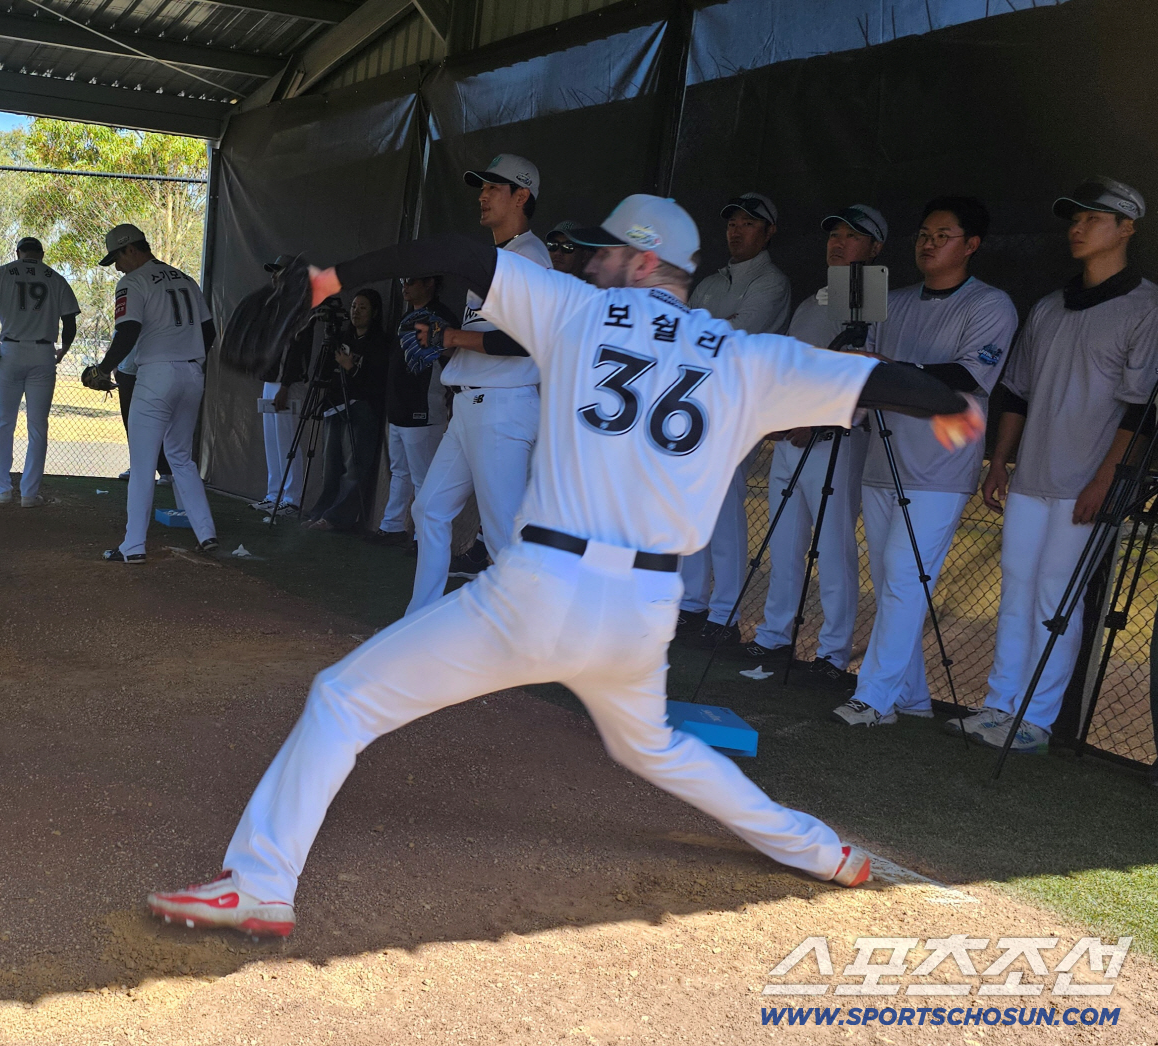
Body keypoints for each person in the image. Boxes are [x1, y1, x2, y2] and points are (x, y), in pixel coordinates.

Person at [146, 194, 983, 936]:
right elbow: (881, 378)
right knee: (652, 746)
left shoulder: (580, 311)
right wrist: (950, 404)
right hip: (644, 608)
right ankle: (824, 852)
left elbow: (458, 255)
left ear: (646, 262)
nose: (589, 262)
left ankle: (260, 883)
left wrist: (332, 280)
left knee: (344, 696)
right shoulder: (747, 354)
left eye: (606, 252)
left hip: (542, 589)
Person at [952, 177, 1158, 754]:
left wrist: (1107, 479)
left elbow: (1142, 412)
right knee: (1016, 592)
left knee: (1053, 600)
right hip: (1030, 478)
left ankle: (1034, 721)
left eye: (1093, 218)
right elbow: (1014, 393)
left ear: (1127, 228)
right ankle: (998, 706)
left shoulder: (1147, 307)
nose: (1078, 227)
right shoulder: (1046, 306)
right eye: (1074, 218)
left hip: (1084, 485)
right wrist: (999, 462)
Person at [832, 197, 1018, 726]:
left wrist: (890, 368)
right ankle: (908, 697)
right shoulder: (892, 301)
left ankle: (874, 697)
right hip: (881, 458)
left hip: (939, 468)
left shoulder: (991, 305)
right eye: (923, 234)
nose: (929, 243)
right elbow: (859, 363)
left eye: (943, 234)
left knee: (904, 581)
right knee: (892, 577)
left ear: (971, 245)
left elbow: (967, 376)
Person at [404, 153, 551, 613]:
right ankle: (422, 617)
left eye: (493, 187)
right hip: (473, 405)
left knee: (504, 532)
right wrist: (446, 341)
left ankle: (530, 637)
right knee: (429, 509)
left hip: (503, 407)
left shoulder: (529, 257)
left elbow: (525, 343)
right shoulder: (497, 258)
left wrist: (448, 335)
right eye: (481, 187)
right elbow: (484, 337)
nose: (483, 196)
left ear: (521, 195)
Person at [748, 206, 887, 685]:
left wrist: (818, 419)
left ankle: (832, 653)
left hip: (835, 440)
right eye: (835, 234)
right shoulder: (814, 300)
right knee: (784, 543)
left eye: (853, 236)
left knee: (833, 548)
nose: (839, 242)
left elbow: (863, 375)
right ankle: (773, 636)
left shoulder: (871, 300)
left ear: (875, 249)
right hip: (790, 437)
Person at [679, 192, 791, 650]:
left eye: (749, 223)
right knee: (691, 506)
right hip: (696, 406)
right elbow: (688, 335)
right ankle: (691, 605)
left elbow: (732, 339)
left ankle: (725, 615)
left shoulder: (772, 281)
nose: (737, 230)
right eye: (733, 223)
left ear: (768, 232)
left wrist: (705, 330)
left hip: (740, 408)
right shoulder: (708, 282)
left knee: (723, 509)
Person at [90, 223, 218, 564]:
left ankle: (134, 545)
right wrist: (188, 356)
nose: (117, 266)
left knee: (143, 462)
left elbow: (128, 331)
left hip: (156, 374)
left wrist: (102, 370)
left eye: (117, 257)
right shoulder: (185, 279)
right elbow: (210, 331)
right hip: (192, 373)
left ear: (132, 249)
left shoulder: (133, 281)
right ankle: (206, 532)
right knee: (180, 456)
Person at [0, 236, 79, 507]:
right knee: (37, 427)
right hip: (43, 353)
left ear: (19, 253)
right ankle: (28, 493)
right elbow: (70, 322)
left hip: (10, 352)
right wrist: (64, 350)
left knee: (5, 423)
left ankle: (2, 489)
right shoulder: (56, 277)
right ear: (42, 255)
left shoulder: (2, 272)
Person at [368, 276, 459, 547]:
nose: (405, 286)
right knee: (400, 471)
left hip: (423, 407)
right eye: (402, 281)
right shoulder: (407, 315)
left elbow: (453, 356)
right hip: (398, 407)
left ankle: (423, 536)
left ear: (430, 283)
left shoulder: (441, 316)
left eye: (412, 281)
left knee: (424, 475)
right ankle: (392, 526)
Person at [296, 290, 391, 532]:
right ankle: (320, 512)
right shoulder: (341, 338)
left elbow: (376, 382)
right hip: (334, 407)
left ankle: (337, 518)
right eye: (354, 306)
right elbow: (324, 372)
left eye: (363, 308)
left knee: (354, 467)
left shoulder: (380, 343)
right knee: (331, 468)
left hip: (362, 409)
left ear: (375, 313)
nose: (356, 312)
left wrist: (351, 368)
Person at [252, 255, 305, 516]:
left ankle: (292, 499)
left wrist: (286, 384)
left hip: (288, 384)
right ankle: (273, 495)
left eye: (280, 271)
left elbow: (297, 352)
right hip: (270, 382)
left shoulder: (300, 305)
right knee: (272, 441)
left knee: (287, 442)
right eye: (273, 271)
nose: (274, 276)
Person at [115, 351, 172, 486]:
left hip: (152, 373)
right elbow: (118, 341)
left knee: (156, 422)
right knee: (132, 424)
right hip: (127, 373)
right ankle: (137, 468)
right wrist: (115, 368)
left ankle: (165, 471)